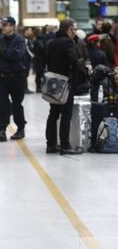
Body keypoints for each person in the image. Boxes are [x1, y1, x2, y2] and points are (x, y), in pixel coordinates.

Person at [45, 19, 83, 155]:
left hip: (53, 82)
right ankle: (65, 146)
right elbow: (73, 60)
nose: (75, 32)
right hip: (65, 83)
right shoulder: (68, 42)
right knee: (66, 115)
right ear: (68, 30)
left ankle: (50, 145)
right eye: (74, 30)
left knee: (53, 114)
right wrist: (83, 70)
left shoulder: (51, 42)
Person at [0, 16, 27, 142]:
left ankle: (20, 129)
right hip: (2, 78)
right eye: (2, 25)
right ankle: (1, 131)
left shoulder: (20, 40)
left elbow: (17, 55)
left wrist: (3, 52)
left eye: (5, 25)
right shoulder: (0, 40)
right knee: (1, 105)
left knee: (17, 105)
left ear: (12, 26)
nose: (3, 27)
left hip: (17, 77)